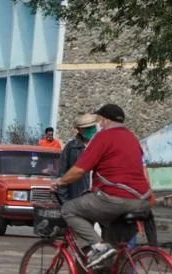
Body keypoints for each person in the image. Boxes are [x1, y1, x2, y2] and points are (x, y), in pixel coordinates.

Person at [52, 104, 154, 268]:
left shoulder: (103, 138)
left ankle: (99, 247)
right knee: (117, 255)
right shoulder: (132, 138)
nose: (97, 124)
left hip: (112, 198)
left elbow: (79, 170)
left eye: (98, 120)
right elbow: (142, 169)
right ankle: (108, 257)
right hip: (142, 200)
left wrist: (59, 182)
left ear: (105, 120)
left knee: (69, 209)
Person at [56, 114, 97, 203]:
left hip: (98, 201)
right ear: (79, 130)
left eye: (92, 127)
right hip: (77, 199)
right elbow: (63, 175)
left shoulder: (101, 146)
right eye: (87, 128)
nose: (91, 130)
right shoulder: (72, 147)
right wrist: (66, 203)